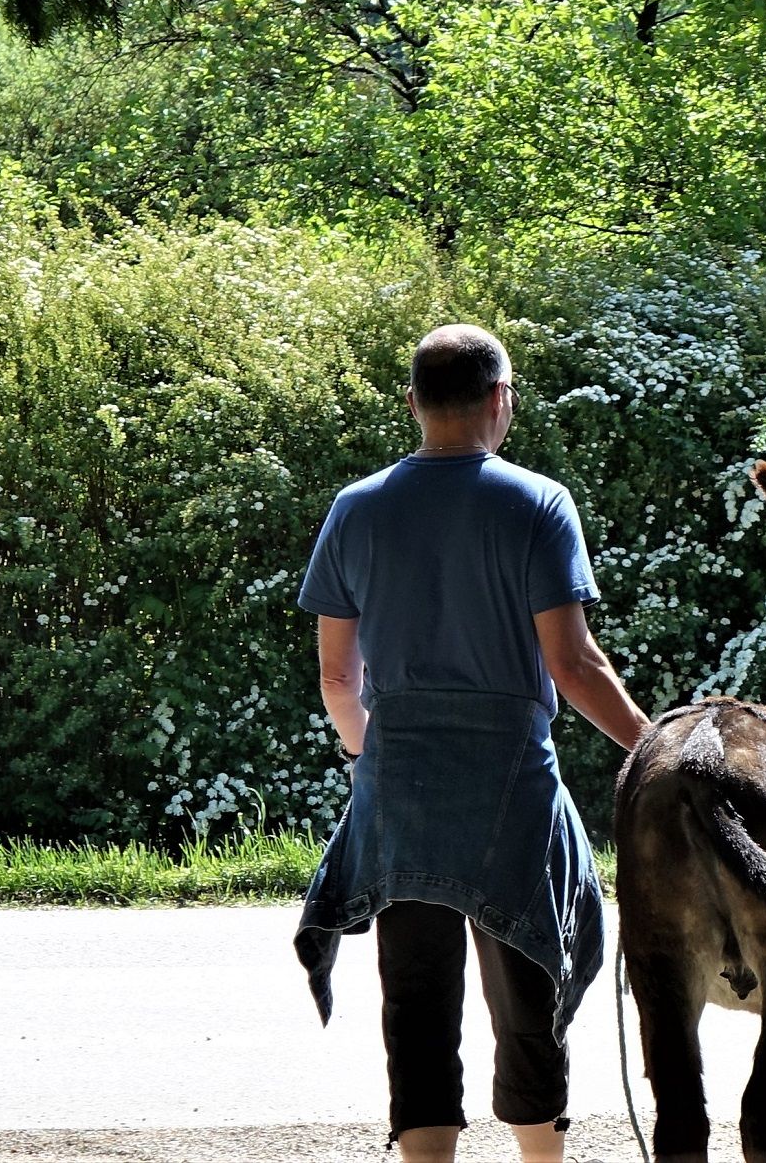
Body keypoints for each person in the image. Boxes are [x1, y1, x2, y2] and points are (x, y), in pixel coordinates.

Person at [293, 324, 649, 1163]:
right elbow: (573, 665)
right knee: (528, 997)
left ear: (413, 402)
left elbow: (338, 679)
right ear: (500, 398)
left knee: (416, 1010)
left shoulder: (356, 508)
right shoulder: (538, 503)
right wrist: (654, 749)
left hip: (400, 791)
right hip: (510, 790)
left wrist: (372, 760)